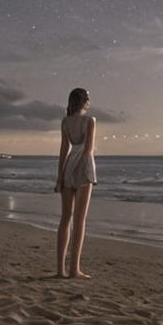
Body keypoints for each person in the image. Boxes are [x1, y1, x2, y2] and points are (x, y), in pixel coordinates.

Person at [55, 87, 97, 278]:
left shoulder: (65, 121)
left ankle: (60, 269)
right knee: (79, 221)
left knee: (65, 219)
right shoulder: (90, 121)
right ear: (84, 101)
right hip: (83, 168)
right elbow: (88, 150)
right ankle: (74, 269)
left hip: (68, 166)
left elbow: (64, 150)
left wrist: (60, 176)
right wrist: (81, 171)